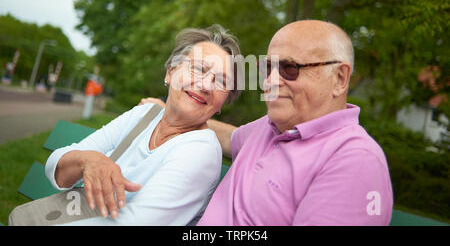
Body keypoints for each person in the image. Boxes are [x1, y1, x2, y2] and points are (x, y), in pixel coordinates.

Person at [141, 20, 393, 225]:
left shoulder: (355, 161)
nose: (270, 82)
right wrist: (170, 110)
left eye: (290, 68)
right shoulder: (272, 127)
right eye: (267, 68)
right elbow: (231, 137)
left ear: (339, 78)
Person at [44, 24, 242, 225]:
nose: (206, 86)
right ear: (170, 72)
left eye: (221, 82)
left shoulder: (200, 152)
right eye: (199, 69)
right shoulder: (145, 115)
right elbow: (56, 167)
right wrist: (88, 160)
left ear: (223, 103)